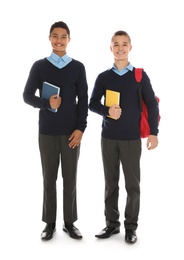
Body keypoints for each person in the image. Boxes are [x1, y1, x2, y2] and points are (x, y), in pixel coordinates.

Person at [88, 30, 159, 244]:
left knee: (132, 184)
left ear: (130, 47)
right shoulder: (103, 77)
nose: (120, 48)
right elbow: (92, 104)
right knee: (111, 183)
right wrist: (108, 111)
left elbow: (153, 104)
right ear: (110, 48)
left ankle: (131, 227)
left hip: (130, 139)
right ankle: (111, 224)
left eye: (124, 44)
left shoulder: (139, 75)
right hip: (108, 137)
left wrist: (154, 133)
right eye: (116, 44)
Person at [23, 21, 88, 241]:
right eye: (55, 36)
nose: (59, 40)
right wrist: (46, 103)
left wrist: (80, 129)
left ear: (69, 39)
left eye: (63, 36)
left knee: (70, 179)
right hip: (48, 133)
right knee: (48, 179)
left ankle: (69, 223)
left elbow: (84, 101)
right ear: (49, 38)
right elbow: (27, 95)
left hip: (71, 133)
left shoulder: (78, 67)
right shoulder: (39, 66)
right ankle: (49, 223)